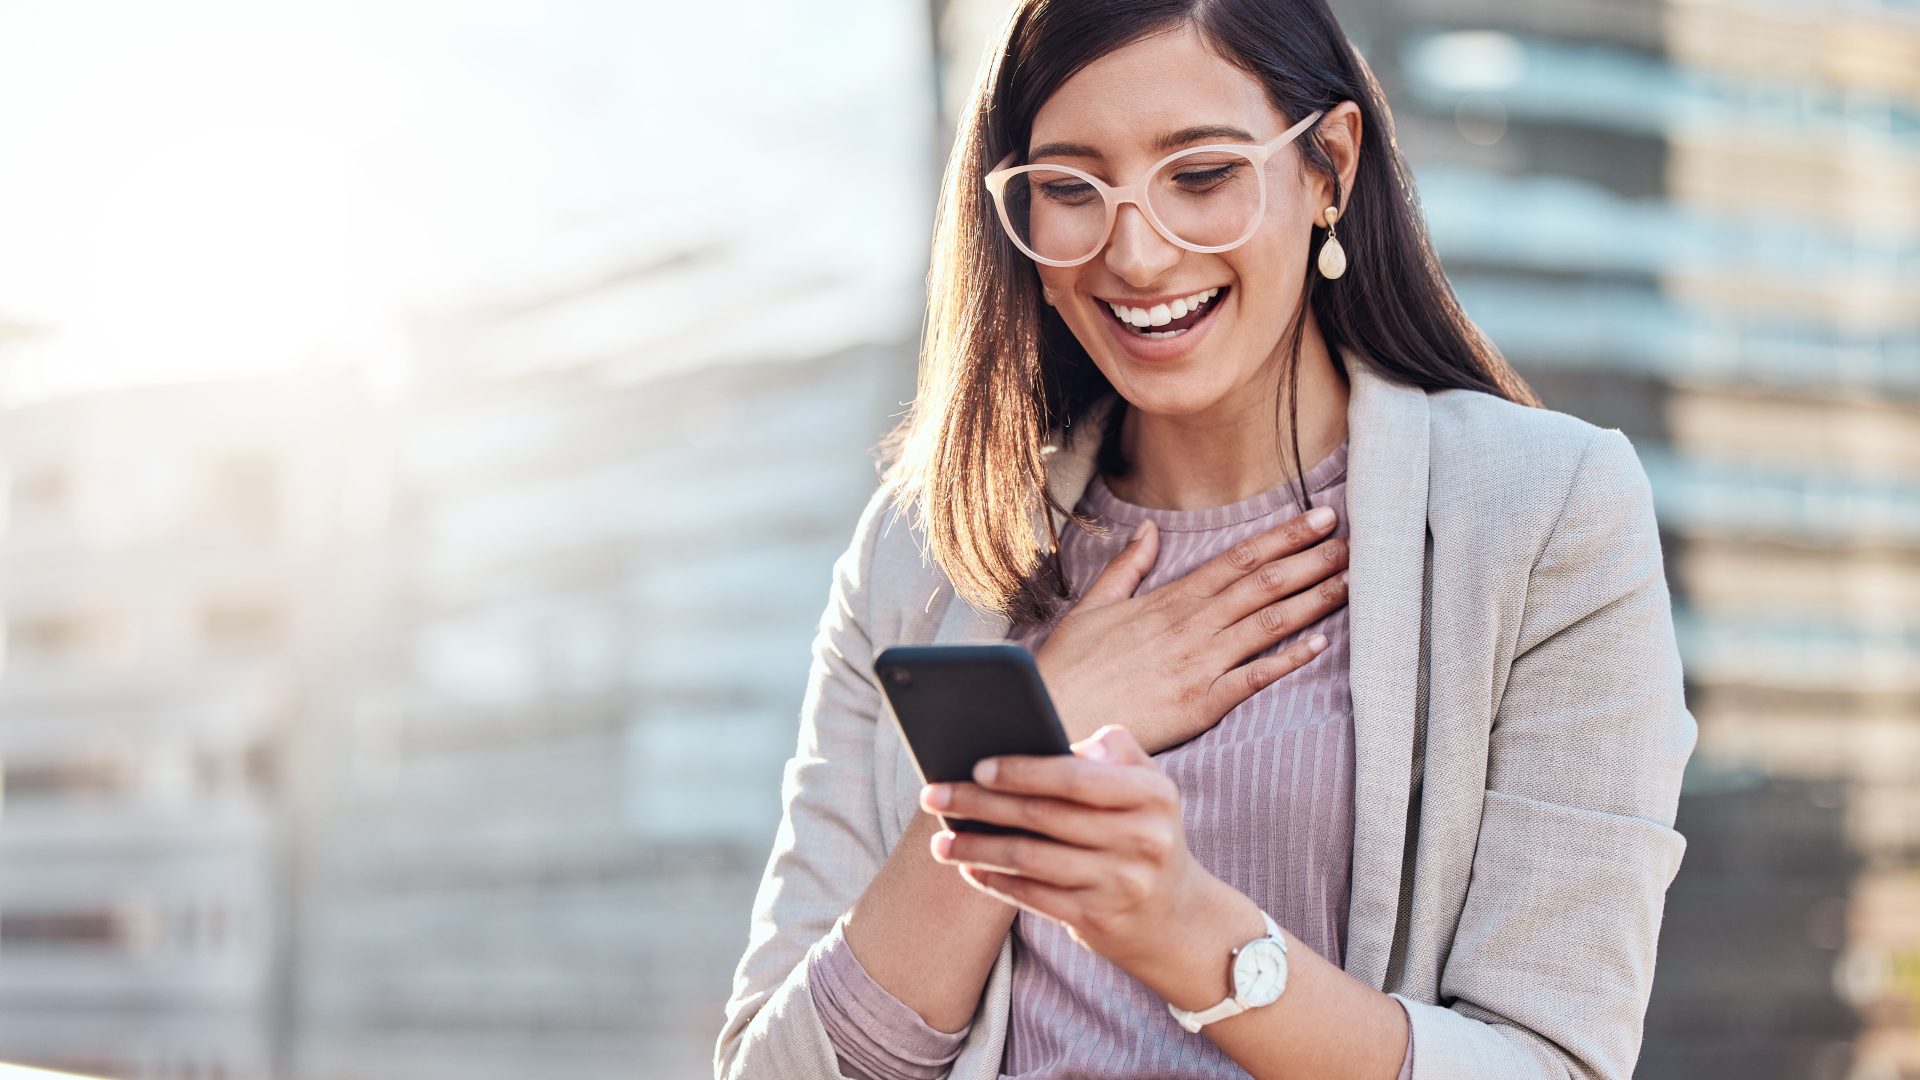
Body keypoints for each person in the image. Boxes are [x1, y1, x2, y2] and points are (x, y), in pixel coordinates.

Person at [716, 1, 1694, 1078]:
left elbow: (1554, 1066)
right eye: (1070, 189)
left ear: (1328, 165)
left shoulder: (1546, 514)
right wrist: (1039, 736)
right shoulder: (927, 548)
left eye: (1200, 176)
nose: (1135, 253)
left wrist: (1180, 928)